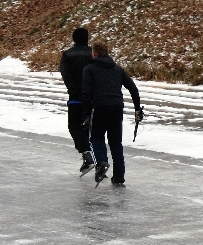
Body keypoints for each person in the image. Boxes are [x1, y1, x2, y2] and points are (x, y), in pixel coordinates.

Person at [81, 43, 143, 186]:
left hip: (99, 106)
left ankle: (102, 162)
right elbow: (133, 88)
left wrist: (85, 114)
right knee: (116, 143)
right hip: (117, 107)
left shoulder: (89, 69)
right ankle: (119, 177)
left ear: (94, 53)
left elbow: (86, 93)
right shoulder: (117, 69)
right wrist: (137, 108)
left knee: (96, 138)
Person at [59, 27, 95, 174]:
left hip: (76, 98)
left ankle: (87, 155)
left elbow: (66, 75)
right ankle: (98, 160)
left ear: (74, 39)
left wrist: (73, 92)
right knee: (90, 128)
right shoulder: (93, 53)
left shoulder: (67, 55)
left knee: (74, 126)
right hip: (92, 97)